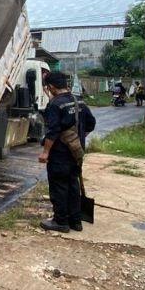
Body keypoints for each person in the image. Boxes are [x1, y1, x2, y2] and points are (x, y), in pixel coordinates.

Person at [38, 71, 96, 233]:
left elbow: (53, 131)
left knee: (59, 187)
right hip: (76, 153)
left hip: (60, 155)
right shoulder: (79, 101)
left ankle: (61, 222)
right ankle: (75, 221)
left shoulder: (55, 104)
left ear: (51, 87)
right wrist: (77, 139)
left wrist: (45, 152)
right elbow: (91, 124)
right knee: (73, 184)